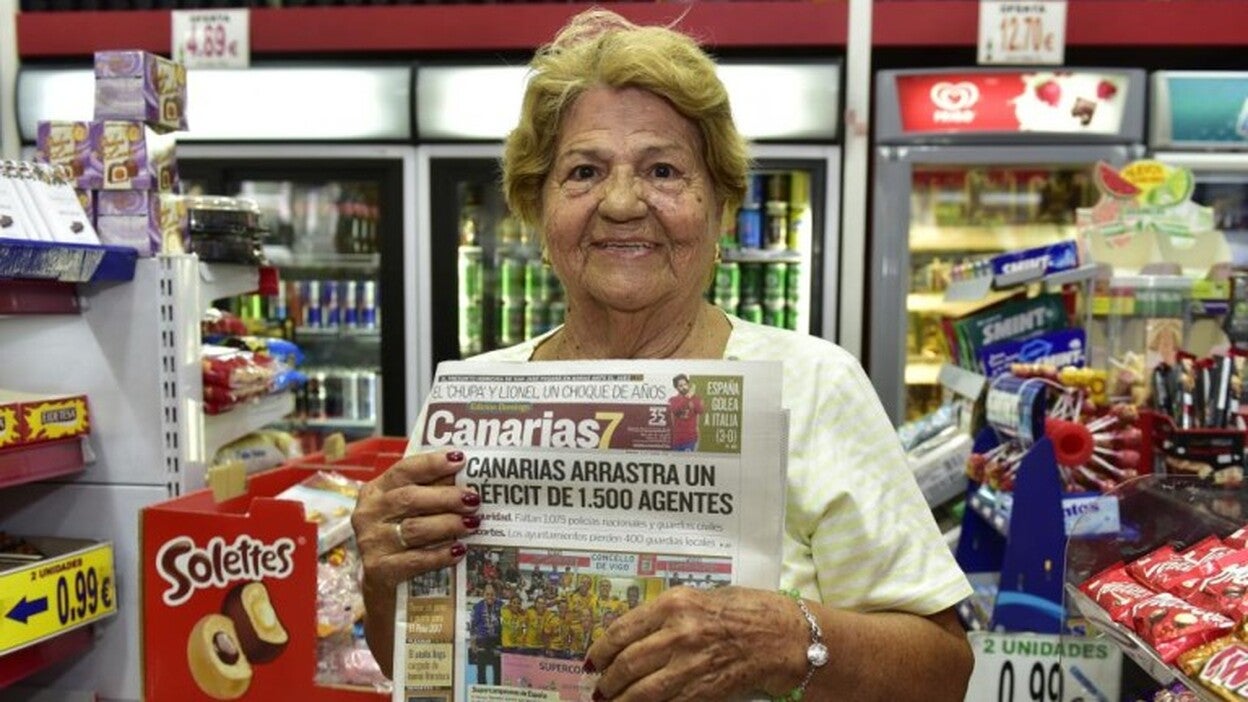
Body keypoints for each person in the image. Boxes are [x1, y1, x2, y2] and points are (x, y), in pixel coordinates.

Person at [351, 9, 973, 701]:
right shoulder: (474, 397)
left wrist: (788, 639)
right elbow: (421, 664)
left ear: (721, 206)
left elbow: (943, 670)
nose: (621, 202)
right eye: (584, 171)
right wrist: (384, 579)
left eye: (664, 170)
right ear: (538, 204)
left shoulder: (813, 385)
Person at [468, 583, 502, 684]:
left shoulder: (501, 606)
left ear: (495, 594)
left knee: (498, 669)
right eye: (487, 594)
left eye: (492, 594)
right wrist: (473, 643)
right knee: (481, 669)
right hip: (482, 641)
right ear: (483, 594)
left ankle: (497, 691)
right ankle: (481, 692)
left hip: (496, 641)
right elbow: (473, 626)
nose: (490, 597)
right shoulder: (477, 607)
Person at [667, 373, 703, 451]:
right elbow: (675, 410)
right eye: (680, 386)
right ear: (676, 388)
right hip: (677, 440)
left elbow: (700, 410)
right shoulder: (672, 400)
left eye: (685, 384)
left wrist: (691, 398)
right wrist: (687, 397)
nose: (684, 387)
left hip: (690, 440)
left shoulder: (695, 399)